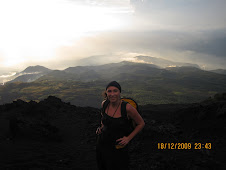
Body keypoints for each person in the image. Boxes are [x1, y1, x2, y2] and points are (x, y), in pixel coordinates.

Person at [96, 81, 145, 170]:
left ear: (120, 92)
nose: (112, 94)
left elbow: (141, 123)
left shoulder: (127, 108)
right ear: (106, 92)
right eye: (109, 91)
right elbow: (103, 118)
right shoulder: (104, 104)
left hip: (118, 146)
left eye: (115, 91)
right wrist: (102, 127)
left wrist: (128, 138)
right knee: (103, 164)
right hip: (102, 143)